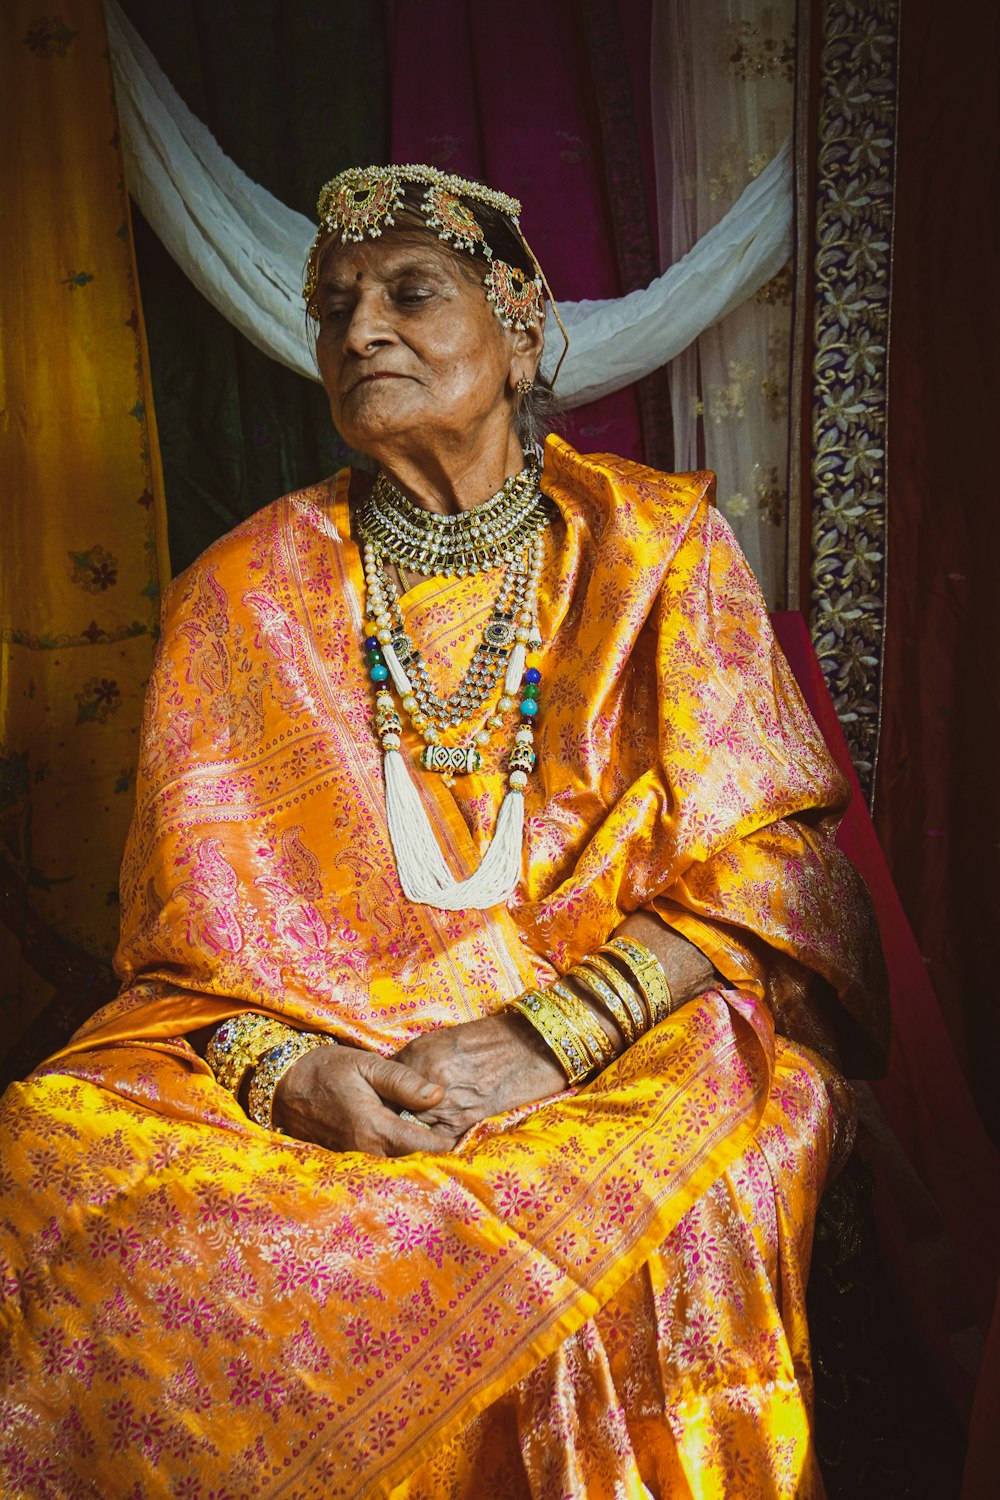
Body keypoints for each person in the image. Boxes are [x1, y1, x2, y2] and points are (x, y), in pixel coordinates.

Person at [0, 164, 886, 1499]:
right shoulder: (239, 596)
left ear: (521, 331)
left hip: (612, 1053)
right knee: (50, 1147)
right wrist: (291, 1075)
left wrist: (553, 1035)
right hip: (327, 1057)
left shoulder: (655, 552)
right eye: (337, 307)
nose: (360, 332)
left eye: (411, 293)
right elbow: (181, 971)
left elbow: (786, 868)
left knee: (703, 1172)